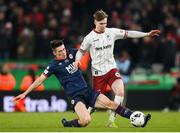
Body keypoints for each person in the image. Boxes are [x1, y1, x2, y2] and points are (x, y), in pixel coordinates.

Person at [13, 39, 151, 128]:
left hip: (87, 91)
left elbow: (86, 49)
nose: (64, 52)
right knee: (85, 121)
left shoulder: (72, 53)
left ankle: (137, 117)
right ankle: (68, 124)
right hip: (75, 96)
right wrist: (25, 93)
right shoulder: (53, 65)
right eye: (60, 51)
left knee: (111, 104)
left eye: (64, 49)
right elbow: (40, 80)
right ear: (54, 53)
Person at [75, 10, 160, 127]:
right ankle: (86, 115)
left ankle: (111, 120)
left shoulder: (112, 32)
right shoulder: (89, 38)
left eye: (105, 23)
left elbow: (129, 33)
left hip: (111, 70)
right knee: (94, 103)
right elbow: (80, 52)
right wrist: (76, 61)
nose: (103, 26)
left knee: (120, 92)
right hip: (98, 74)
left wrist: (146, 34)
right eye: (101, 24)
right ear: (95, 22)